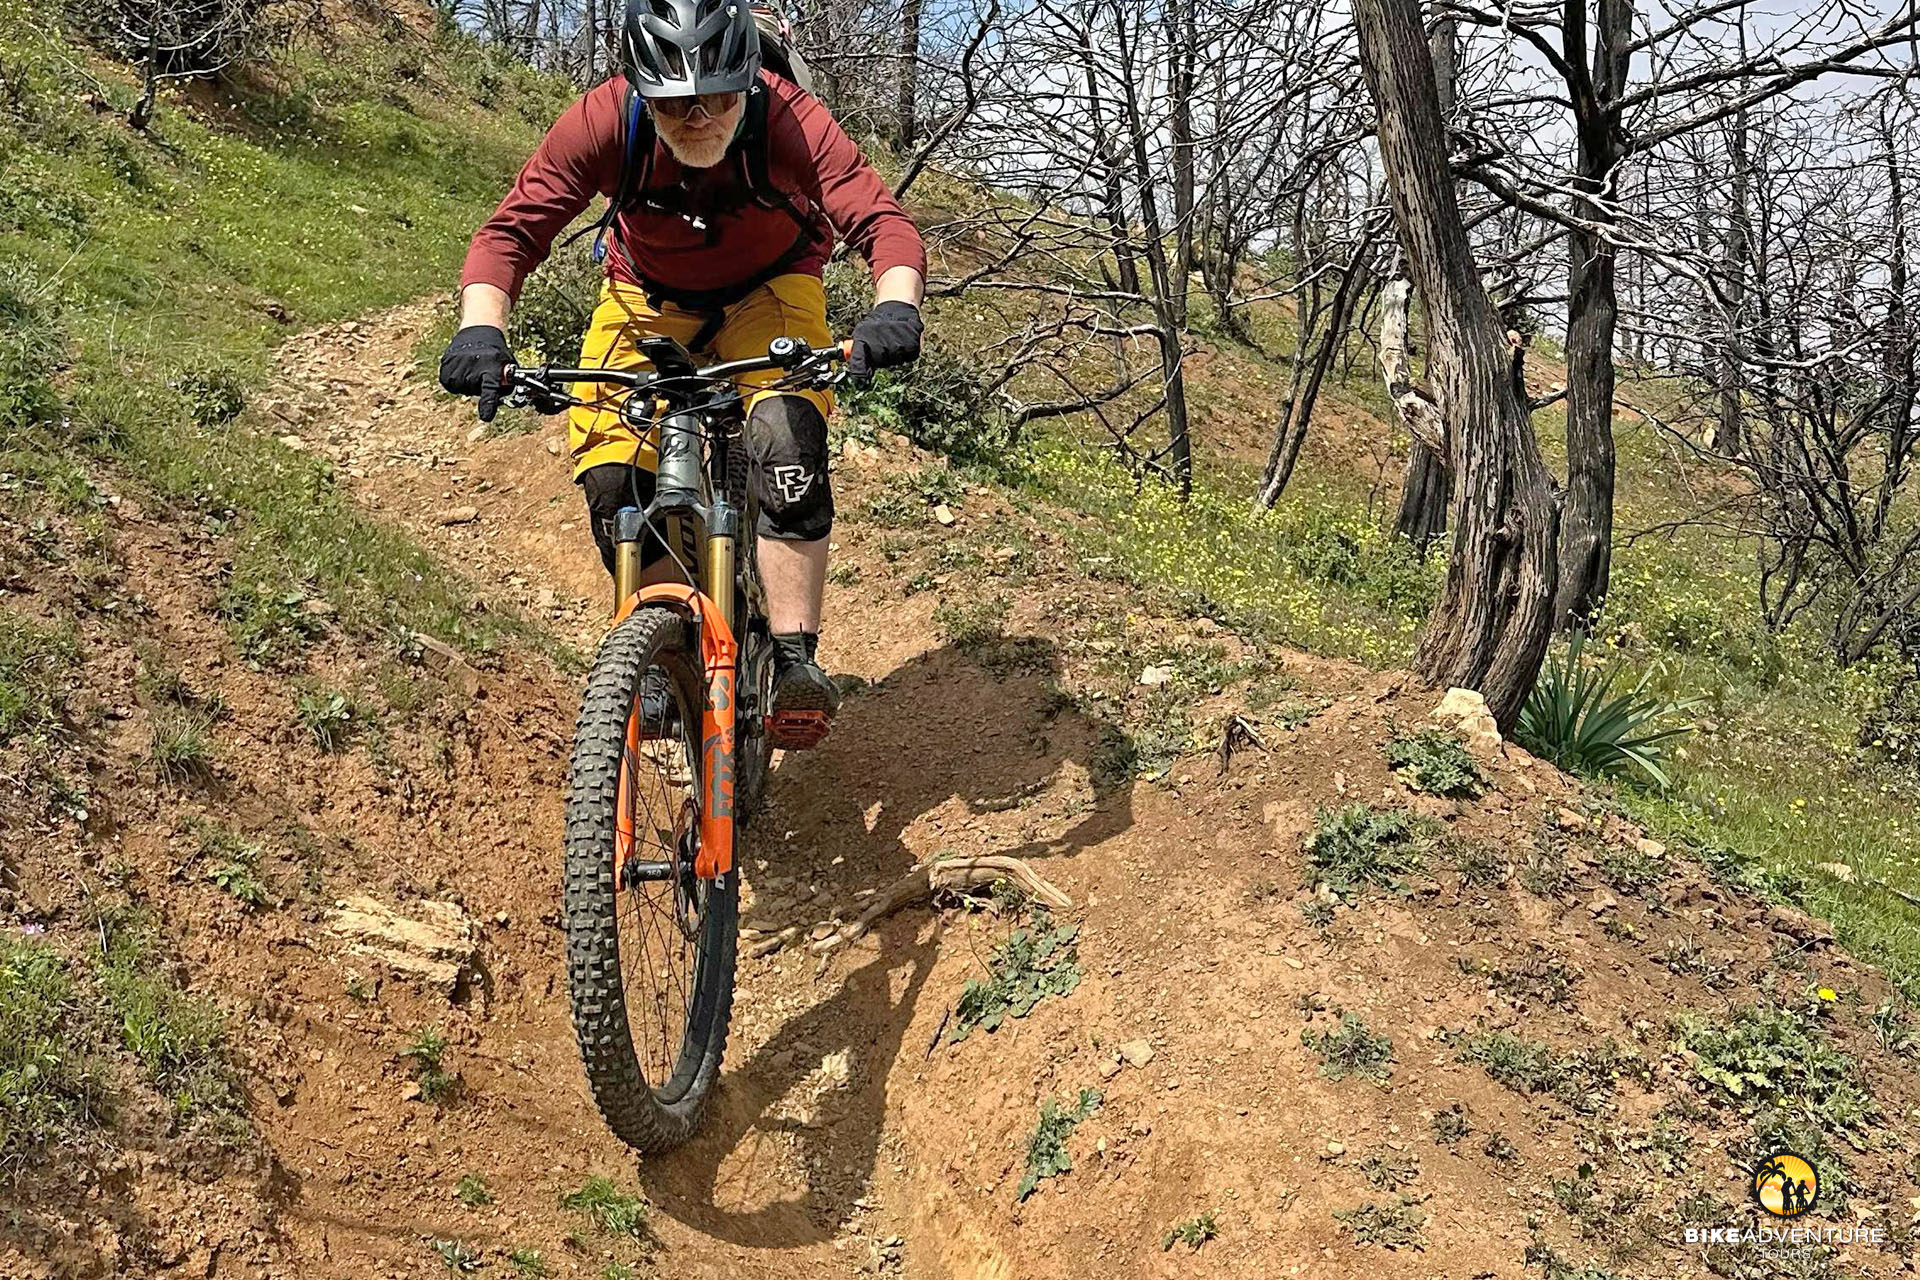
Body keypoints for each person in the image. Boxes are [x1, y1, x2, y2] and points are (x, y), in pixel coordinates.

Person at [438, 0, 927, 747]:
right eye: (672, 104)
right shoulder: (603, 121)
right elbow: (513, 231)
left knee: (787, 438)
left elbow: (882, 222)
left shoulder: (788, 119)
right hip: (645, 296)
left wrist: (895, 309)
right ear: (640, 90)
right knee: (612, 474)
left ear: (747, 80)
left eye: (718, 97)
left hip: (772, 289)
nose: (697, 117)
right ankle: (666, 649)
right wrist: (481, 330)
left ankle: (793, 658)